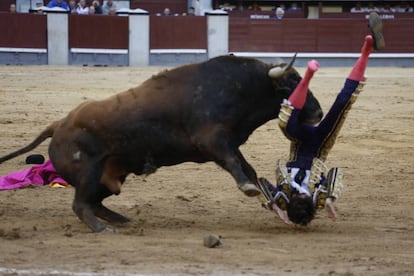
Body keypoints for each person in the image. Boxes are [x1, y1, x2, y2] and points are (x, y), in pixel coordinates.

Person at [258, 12, 385, 225]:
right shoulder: (318, 198)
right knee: (343, 103)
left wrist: (272, 205)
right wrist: (330, 200)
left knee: (287, 121)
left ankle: (307, 77)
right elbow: (335, 173)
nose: (302, 194)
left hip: (299, 140)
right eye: (305, 197)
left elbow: (261, 183)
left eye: (298, 198)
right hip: (320, 144)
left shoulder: (283, 198)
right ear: (309, 201)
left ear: (291, 202)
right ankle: (366, 51)